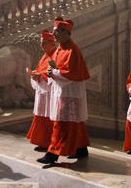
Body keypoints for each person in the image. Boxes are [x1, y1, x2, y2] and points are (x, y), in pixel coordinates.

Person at [37, 17, 90, 164]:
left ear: (66, 33)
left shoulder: (72, 49)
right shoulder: (61, 47)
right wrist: (51, 71)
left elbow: (71, 73)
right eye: (54, 31)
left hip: (70, 90)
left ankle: (52, 154)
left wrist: (53, 73)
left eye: (56, 32)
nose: (54, 35)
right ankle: (81, 149)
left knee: (62, 123)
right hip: (62, 89)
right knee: (74, 121)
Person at [26, 30, 56, 152]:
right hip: (42, 91)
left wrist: (39, 75)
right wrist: (34, 73)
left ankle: (47, 142)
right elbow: (41, 69)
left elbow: (54, 71)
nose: (41, 46)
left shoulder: (55, 54)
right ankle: (42, 141)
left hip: (50, 92)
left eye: (43, 43)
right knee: (41, 117)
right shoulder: (45, 55)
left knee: (48, 118)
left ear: (51, 43)